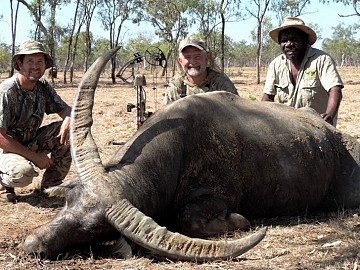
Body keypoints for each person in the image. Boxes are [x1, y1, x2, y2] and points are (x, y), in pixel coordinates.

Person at [0, 40, 72, 202]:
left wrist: (68, 118)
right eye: (30, 61)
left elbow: (65, 109)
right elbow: (0, 137)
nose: (35, 66)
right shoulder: (7, 91)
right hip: (5, 148)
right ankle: (5, 182)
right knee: (22, 174)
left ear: (45, 65)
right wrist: (34, 157)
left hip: (29, 140)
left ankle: (50, 186)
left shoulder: (42, 86)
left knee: (70, 130)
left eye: (40, 61)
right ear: (20, 63)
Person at [262, 17, 344, 126]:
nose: (288, 44)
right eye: (284, 41)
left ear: (305, 40)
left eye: (293, 39)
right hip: (289, 126)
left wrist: (329, 115)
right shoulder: (275, 65)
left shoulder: (322, 59)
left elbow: (335, 90)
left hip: (318, 125)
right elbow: (267, 97)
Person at [164, 36, 238, 104]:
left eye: (197, 56)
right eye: (187, 57)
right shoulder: (175, 86)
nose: (192, 62)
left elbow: (237, 112)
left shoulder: (221, 84)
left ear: (207, 58)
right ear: (180, 61)